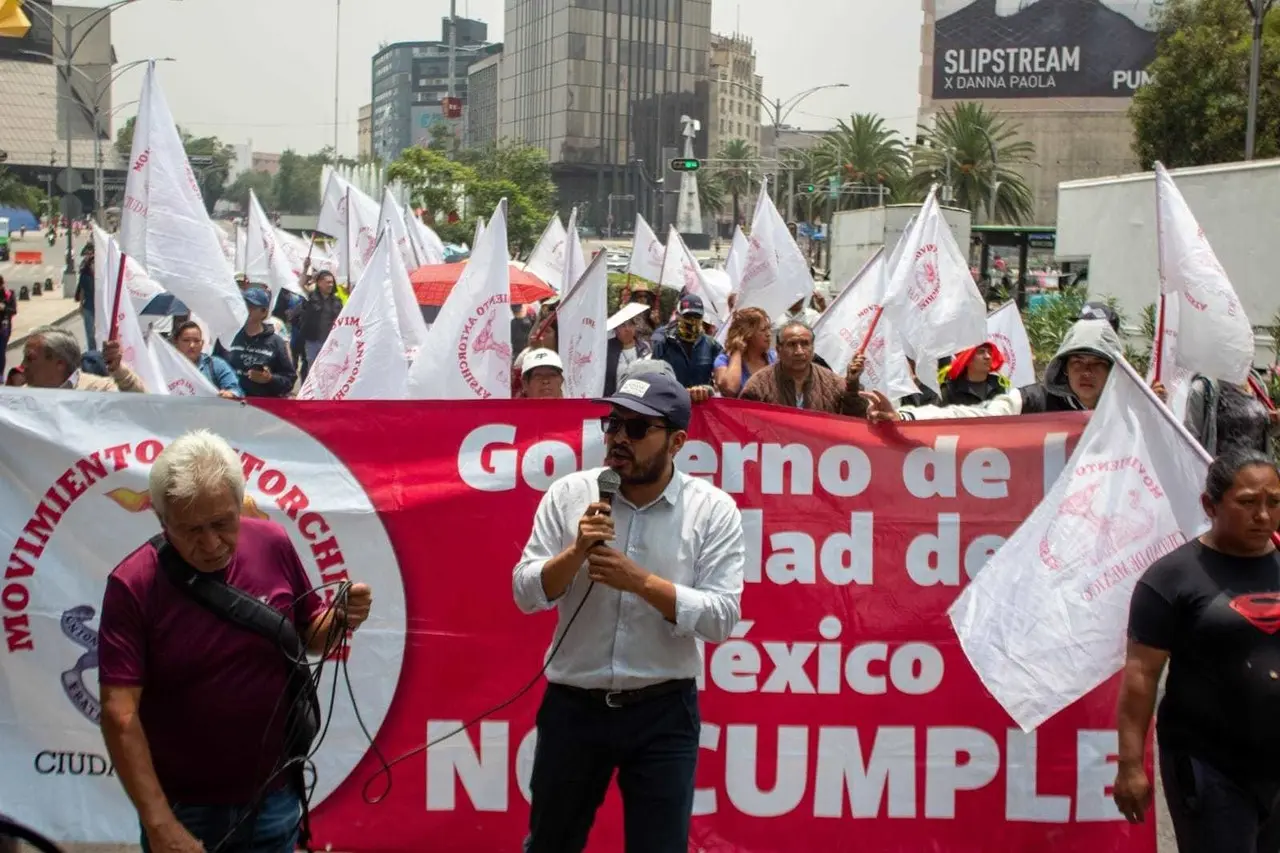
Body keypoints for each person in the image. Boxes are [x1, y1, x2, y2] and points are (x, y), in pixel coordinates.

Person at [98, 430, 374, 853]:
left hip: (274, 797)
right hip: (183, 808)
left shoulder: (273, 544)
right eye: (190, 530)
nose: (210, 544)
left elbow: (308, 636)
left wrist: (340, 618)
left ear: (241, 504)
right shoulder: (133, 584)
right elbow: (120, 714)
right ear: (160, 519)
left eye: (222, 523)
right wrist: (160, 824)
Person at [512, 372, 745, 853]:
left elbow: (722, 617)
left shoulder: (712, 510)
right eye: (613, 422)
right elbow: (526, 591)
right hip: (574, 706)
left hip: (662, 709)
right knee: (551, 843)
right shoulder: (569, 495)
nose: (619, 437)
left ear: (677, 442)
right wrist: (575, 552)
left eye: (637, 429)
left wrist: (637, 581)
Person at [1114, 450, 1280, 852]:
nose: (1263, 515)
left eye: (1274, 502)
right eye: (1247, 502)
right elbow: (1140, 678)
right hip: (1209, 769)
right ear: (1210, 505)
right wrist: (1130, 766)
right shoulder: (1172, 578)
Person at [864, 319, 1121, 422]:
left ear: (1113, 370)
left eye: (1097, 364)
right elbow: (970, 416)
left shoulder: (1131, 410)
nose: (1086, 372)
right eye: (1078, 362)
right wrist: (906, 418)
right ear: (1064, 368)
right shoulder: (1032, 401)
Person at [740, 321, 867, 416]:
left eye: (805, 344)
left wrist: (852, 385)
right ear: (778, 349)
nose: (799, 351)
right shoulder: (758, 385)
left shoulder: (833, 383)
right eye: (792, 344)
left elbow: (854, 421)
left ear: (813, 348)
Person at [220, 288, 296, 398]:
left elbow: (289, 380)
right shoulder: (228, 337)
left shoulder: (276, 342)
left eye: (252, 307)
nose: (247, 310)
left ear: (264, 312)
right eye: (244, 305)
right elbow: (213, 367)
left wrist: (269, 379)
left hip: (261, 406)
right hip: (230, 403)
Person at [1181, 373, 1280, 458]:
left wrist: (1275, 421)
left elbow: (1262, 430)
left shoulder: (1257, 384)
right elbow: (1190, 441)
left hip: (1256, 472)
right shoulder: (1203, 387)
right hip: (1223, 474)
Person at [22, 326, 145, 392]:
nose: (23, 365)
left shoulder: (100, 391)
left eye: (30, 358)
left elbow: (141, 405)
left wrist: (118, 371)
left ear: (59, 363)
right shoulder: (22, 397)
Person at [650, 294, 722, 402]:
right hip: (671, 405)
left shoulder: (712, 345)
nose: (692, 321)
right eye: (688, 316)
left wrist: (708, 390)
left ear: (702, 318)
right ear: (678, 315)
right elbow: (653, 376)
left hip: (701, 407)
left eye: (696, 316)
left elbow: (721, 382)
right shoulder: (664, 342)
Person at [713, 307, 775, 398]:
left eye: (769, 328)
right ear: (747, 334)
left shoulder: (774, 358)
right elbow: (730, 389)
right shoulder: (724, 361)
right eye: (763, 330)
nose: (768, 334)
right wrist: (737, 350)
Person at [172, 321, 242, 399]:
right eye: (186, 340)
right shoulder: (165, 365)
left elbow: (237, 391)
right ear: (176, 342)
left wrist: (230, 394)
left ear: (202, 344)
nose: (192, 345)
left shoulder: (216, 365)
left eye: (196, 341)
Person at [299, 271, 343, 376]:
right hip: (312, 342)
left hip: (330, 343)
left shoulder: (337, 301)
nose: (330, 285)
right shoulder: (310, 297)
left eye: (332, 282)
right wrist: (305, 268)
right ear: (319, 283)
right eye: (327, 282)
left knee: (327, 371)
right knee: (313, 370)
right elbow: (301, 284)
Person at [602, 306, 652, 398]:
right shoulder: (605, 348)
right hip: (613, 401)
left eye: (631, 324)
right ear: (615, 328)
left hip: (638, 402)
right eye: (623, 325)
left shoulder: (645, 348)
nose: (627, 329)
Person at [939, 342, 1009, 406]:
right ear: (967, 359)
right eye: (981, 352)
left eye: (990, 353)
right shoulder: (950, 388)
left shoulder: (999, 384)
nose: (988, 357)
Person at [75, 243, 96, 351]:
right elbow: (82, 289)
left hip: (100, 308)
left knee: (99, 333)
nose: (93, 264)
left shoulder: (102, 275)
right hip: (88, 306)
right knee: (90, 333)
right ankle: (92, 353)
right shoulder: (85, 273)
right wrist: (80, 306)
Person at [0, 276, 15, 377]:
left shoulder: (8, 295)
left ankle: (0, 374)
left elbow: (13, 310)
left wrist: (4, 308)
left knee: (1, 351)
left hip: (3, 328)